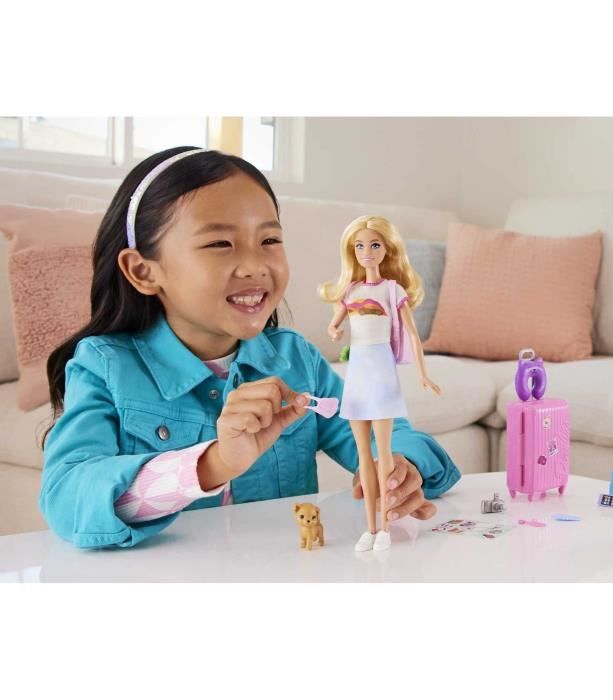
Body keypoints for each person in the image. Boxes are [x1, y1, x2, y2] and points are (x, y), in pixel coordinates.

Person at [40, 147, 461, 549]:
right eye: (220, 244)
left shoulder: (295, 360)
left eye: (269, 240)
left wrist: (401, 467)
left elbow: (387, 433)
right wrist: (215, 463)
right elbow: (66, 498)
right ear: (143, 271)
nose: (256, 266)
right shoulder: (105, 366)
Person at [319, 216, 442, 551]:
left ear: (387, 249)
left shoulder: (392, 290)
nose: (366, 252)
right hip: (357, 373)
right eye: (360, 246)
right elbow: (334, 324)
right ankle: (370, 529)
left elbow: (413, 335)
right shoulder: (351, 290)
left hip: (382, 371)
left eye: (374, 245)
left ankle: (385, 527)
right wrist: (334, 330)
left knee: (384, 454)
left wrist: (423, 374)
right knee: (364, 456)